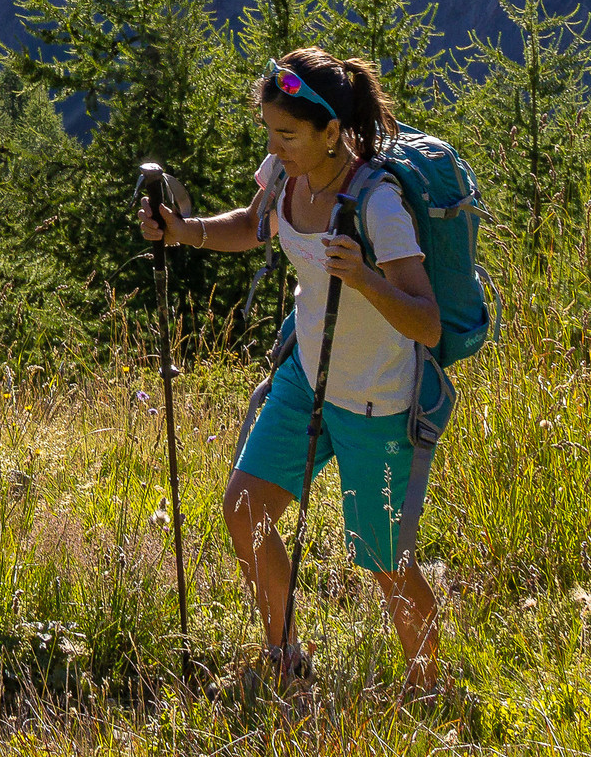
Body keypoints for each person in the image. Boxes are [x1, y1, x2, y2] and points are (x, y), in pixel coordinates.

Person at [138, 47, 443, 684]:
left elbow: (426, 321)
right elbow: (254, 225)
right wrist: (183, 231)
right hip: (308, 374)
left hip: (375, 399)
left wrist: (362, 278)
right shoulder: (285, 173)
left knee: (385, 558)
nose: (275, 147)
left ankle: (426, 693)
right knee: (244, 509)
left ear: (332, 132)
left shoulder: (377, 205)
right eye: (270, 132)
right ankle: (285, 658)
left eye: (288, 134)